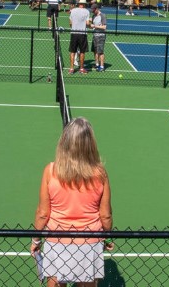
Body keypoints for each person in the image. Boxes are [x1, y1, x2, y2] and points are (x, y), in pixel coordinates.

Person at [31, 117, 114, 287]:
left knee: (55, 283)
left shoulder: (50, 170)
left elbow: (42, 213)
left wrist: (36, 241)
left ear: (65, 141)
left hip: (57, 241)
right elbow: (105, 215)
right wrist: (107, 238)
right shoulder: (100, 173)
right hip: (89, 241)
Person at [69, 0, 90, 74]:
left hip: (74, 33)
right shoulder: (87, 11)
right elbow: (87, 24)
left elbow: (70, 23)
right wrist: (91, 25)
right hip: (82, 34)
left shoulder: (73, 10)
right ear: (84, 4)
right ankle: (81, 68)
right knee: (82, 52)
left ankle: (71, 68)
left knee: (72, 51)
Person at [89, 4, 107, 72]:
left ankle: (102, 66)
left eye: (93, 10)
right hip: (95, 35)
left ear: (97, 9)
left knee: (100, 52)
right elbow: (92, 25)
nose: (92, 11)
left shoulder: (102, 15)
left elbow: (104, 27)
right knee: (95, 51)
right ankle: (97, 64)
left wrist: (95, 26)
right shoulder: (93, 16)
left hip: (101, 36)